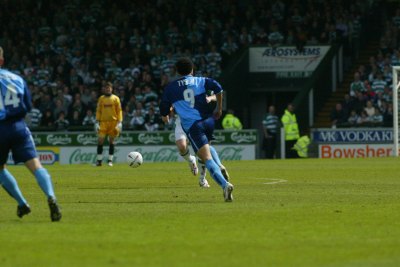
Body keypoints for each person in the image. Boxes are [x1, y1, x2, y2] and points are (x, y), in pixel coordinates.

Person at [0, 46, 61, 221]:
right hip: (18, 127)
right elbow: (27, 106)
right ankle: (51, 196)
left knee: (0, 170)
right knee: (36, 166)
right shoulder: (16, 78)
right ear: (2, 61)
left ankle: (22, 203)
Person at [160, 57, 234, 202]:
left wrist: (165, 115)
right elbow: (218, 87)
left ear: (177, 71)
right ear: (192, 69)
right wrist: (219, 108)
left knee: (206, 158)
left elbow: (163, 108)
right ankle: (218, 167)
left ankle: (225, 185)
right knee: (206, 148)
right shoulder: (201, 80)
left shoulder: (171, 87)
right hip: (208, 121)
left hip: (194, 126)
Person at [95, 82, 122, 167]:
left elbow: (119, 111)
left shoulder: (116, 98)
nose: (108, 89)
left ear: (111, 89)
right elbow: (98, 110)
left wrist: (120, 121)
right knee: (100, 140)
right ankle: (99, 161)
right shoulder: (101, 99)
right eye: (106, 88)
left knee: (111, 141)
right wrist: (97, 121)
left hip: (113, 123)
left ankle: (110, 161)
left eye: (109, 88)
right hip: (103, 122)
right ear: (104, 89)